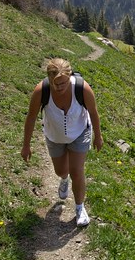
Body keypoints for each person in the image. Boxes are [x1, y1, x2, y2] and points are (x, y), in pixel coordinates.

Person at [21, 58, 103, 226]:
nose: (59, 87)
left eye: (63, 83)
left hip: (80, 132)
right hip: (54, 135)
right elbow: (31, 117)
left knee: (77, 171)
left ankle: (79, 208)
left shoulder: (82, 88)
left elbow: (93, 112)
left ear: (70, 76)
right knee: (61, 170)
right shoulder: (41, 91)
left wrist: (98, 136)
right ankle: (64, 179)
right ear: (49, 79)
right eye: (55, 84)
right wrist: (26, 145)